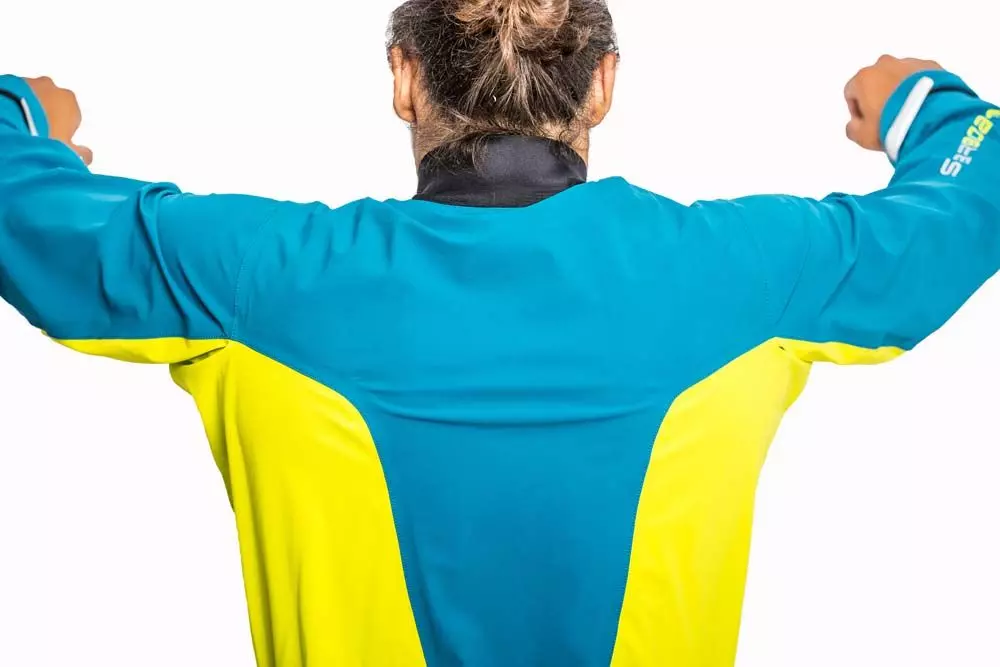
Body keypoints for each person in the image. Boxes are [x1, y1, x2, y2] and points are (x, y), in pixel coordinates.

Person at [0, 0, 997, 665]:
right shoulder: (748, 273)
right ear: (602, 84)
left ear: (404, 77)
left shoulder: (251, 278)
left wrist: (23, 117)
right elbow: (973, 191)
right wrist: (923, 100)